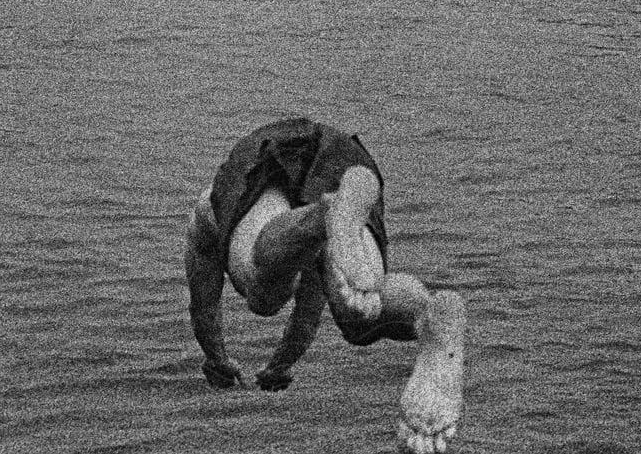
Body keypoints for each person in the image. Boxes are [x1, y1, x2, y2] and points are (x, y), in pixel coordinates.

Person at [184, 117, 466, 454]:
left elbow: (203, 306)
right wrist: (280, 365)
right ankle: (428, 316)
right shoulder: (224, 214)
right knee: (361, 310)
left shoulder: (207, 217)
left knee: (263, 293)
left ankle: (324, 215)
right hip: (345, 161)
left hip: (267, 157)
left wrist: (217, 360)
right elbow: (308, 312)